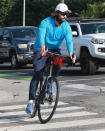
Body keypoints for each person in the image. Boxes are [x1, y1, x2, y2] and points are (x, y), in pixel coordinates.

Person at [26, 3, 76, 114]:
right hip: (41, 48)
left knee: (58, 66)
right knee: (37, 72)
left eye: (66, 14)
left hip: (55, 50)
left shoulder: (66, 26)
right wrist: (42, 46)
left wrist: (71, 53)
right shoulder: (45, 22)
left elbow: (69, 41)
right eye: (63, 14)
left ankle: (50, 82)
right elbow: (41, 35)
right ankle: (30, 101)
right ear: (57, 13)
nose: (65, 16)